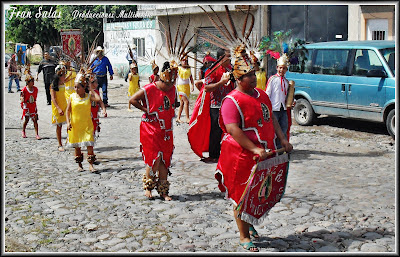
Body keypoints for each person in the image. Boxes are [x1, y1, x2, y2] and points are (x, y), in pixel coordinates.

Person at [215, 44, 293, 252]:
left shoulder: (261, 95)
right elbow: (233, 129)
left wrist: (282, 140)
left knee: (258, 191)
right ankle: (243, 234)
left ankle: (249, 223)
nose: (254, 78)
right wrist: (254, 149)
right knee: (242, 194)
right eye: (248, 75)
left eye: (254, 73)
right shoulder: (231, 101)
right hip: (241, 156)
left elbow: (272, 121)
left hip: (264, 153)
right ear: (238, 79)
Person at [129, 61, 178, 201]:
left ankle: (163, 190)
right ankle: (148, 187)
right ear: (162, 79)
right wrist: (147, 110)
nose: (170, 86)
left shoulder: (173, 89)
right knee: (154, 159)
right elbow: (133, 100)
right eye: (168, 84)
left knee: (165, 160)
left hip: (166, 130)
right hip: (150, 128)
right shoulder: (150, 88)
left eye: (171, 84)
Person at [66, 71, 103, 172]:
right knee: (77, 146)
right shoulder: (72, 97)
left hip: (86, 125)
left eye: (78, 87)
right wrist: (68, 122)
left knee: (89, 145)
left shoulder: (88, 97)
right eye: (75, 87)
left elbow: (98, 99)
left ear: (83, 87)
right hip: (75, 125)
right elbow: (68, 111)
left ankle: (91, 165)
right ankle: (79, 165)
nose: (76, 89)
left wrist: (91, 89)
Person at [203, 48, 235, 163]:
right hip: (216, 105)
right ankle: (214, 154)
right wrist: (221, 83)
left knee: (231, 129)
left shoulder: (231, 69)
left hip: (229, 104)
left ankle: (229, 151)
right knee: (216, 131)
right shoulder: (211, 71)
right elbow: (206, 88)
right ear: (221, 58)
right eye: (228, 56)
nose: (230, 58)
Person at [265, 54, 290, 149]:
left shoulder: (286, 82)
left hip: (282, 108)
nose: (281, 70)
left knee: (283, 128)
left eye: (284, 68)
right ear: (277, 68)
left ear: (286, 70)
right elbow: (267, 94)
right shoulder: (272, 79)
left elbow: (287, 95)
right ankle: (272, 147)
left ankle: (281, 147)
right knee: (273, 129)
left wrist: (292, 101)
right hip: (274, 108)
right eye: (280, 68)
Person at [50, 62, 68, 151]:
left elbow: (70, 78)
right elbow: (53, 98)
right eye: (63, 76)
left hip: (65, 105)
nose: (65, 77)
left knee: (70, 122)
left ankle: (69, 140)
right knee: (59, 125)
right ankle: (59, 144)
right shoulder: (53, 86)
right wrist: (58, 108)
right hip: (57, 107)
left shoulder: (63, 83)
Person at [20, 71, 40, 139]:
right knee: (27, 119)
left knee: (35, 120)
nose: (33, 83)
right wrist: (22, 99)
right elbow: (21, 96)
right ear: (28, 82)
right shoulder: (24, 89)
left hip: (33, 105)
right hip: (27, 106)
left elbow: (35, 97)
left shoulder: (35, 89)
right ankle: (23, 131)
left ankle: (37, 134)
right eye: (31, 81)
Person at [176, 56, 194, 123]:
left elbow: (191, 78)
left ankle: (178, 118)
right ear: (181, 61)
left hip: (187, 87)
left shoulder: (189, 69)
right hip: (180, 87)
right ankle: (187, 118)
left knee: (182, 103)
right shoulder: (178, 68)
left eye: (186, 61)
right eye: (183, 60)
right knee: (186, 102)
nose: (184, 62)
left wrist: (192, 85)